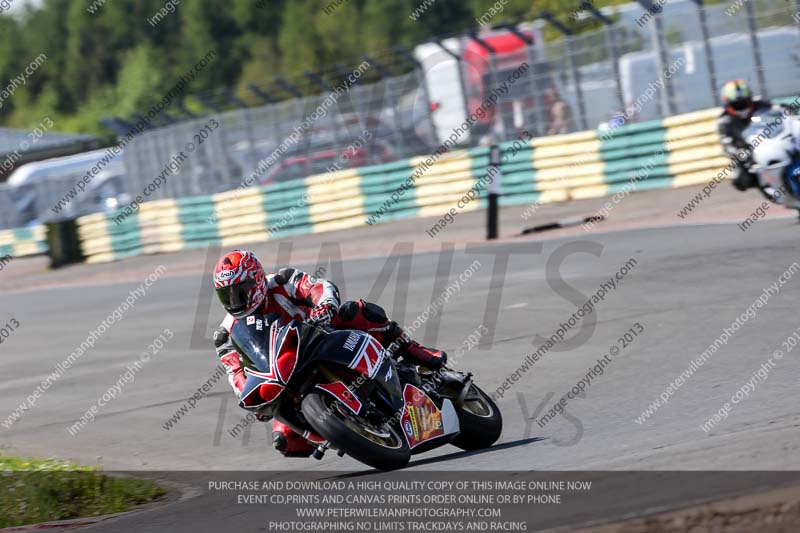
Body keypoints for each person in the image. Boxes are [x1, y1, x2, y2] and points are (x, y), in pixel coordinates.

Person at [211, 249, 447, 457]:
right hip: (285, 374)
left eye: (240, 292)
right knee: (284, 442)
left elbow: (320, 287)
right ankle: (346, 431)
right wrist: (252, 398)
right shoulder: (225, 334)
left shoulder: (282, 281)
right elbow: (236, 375)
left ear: (257, 281)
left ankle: (414, 350)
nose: (234, 301)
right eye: (226, 295)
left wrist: (324, 306)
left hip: (323, 338)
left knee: (356, 312)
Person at [717, 79, 793, 194]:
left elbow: (778, 109)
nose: (742, 107)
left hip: (773, 139)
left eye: (744, 102)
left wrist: (788, 110)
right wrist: (741, 153)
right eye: (737, 104)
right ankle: (767, 186)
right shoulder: (724, 120)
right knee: (740, 179)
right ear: (728, 102)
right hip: (748, 150)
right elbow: (726, 144)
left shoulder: (760, 103)